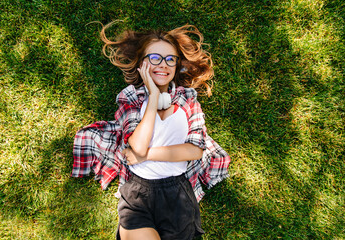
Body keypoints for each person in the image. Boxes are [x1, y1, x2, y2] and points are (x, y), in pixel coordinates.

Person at [71, 21, 231, 240]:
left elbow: (194, 150)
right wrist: (153, 97)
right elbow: (136, 144)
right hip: (137, 193)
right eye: (154, 58)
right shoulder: (130, 98)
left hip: (178, 195)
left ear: (176, 66)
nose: (163, 65)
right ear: (142, 65)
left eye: (170, 59)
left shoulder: (188, 100)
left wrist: (146, 155)